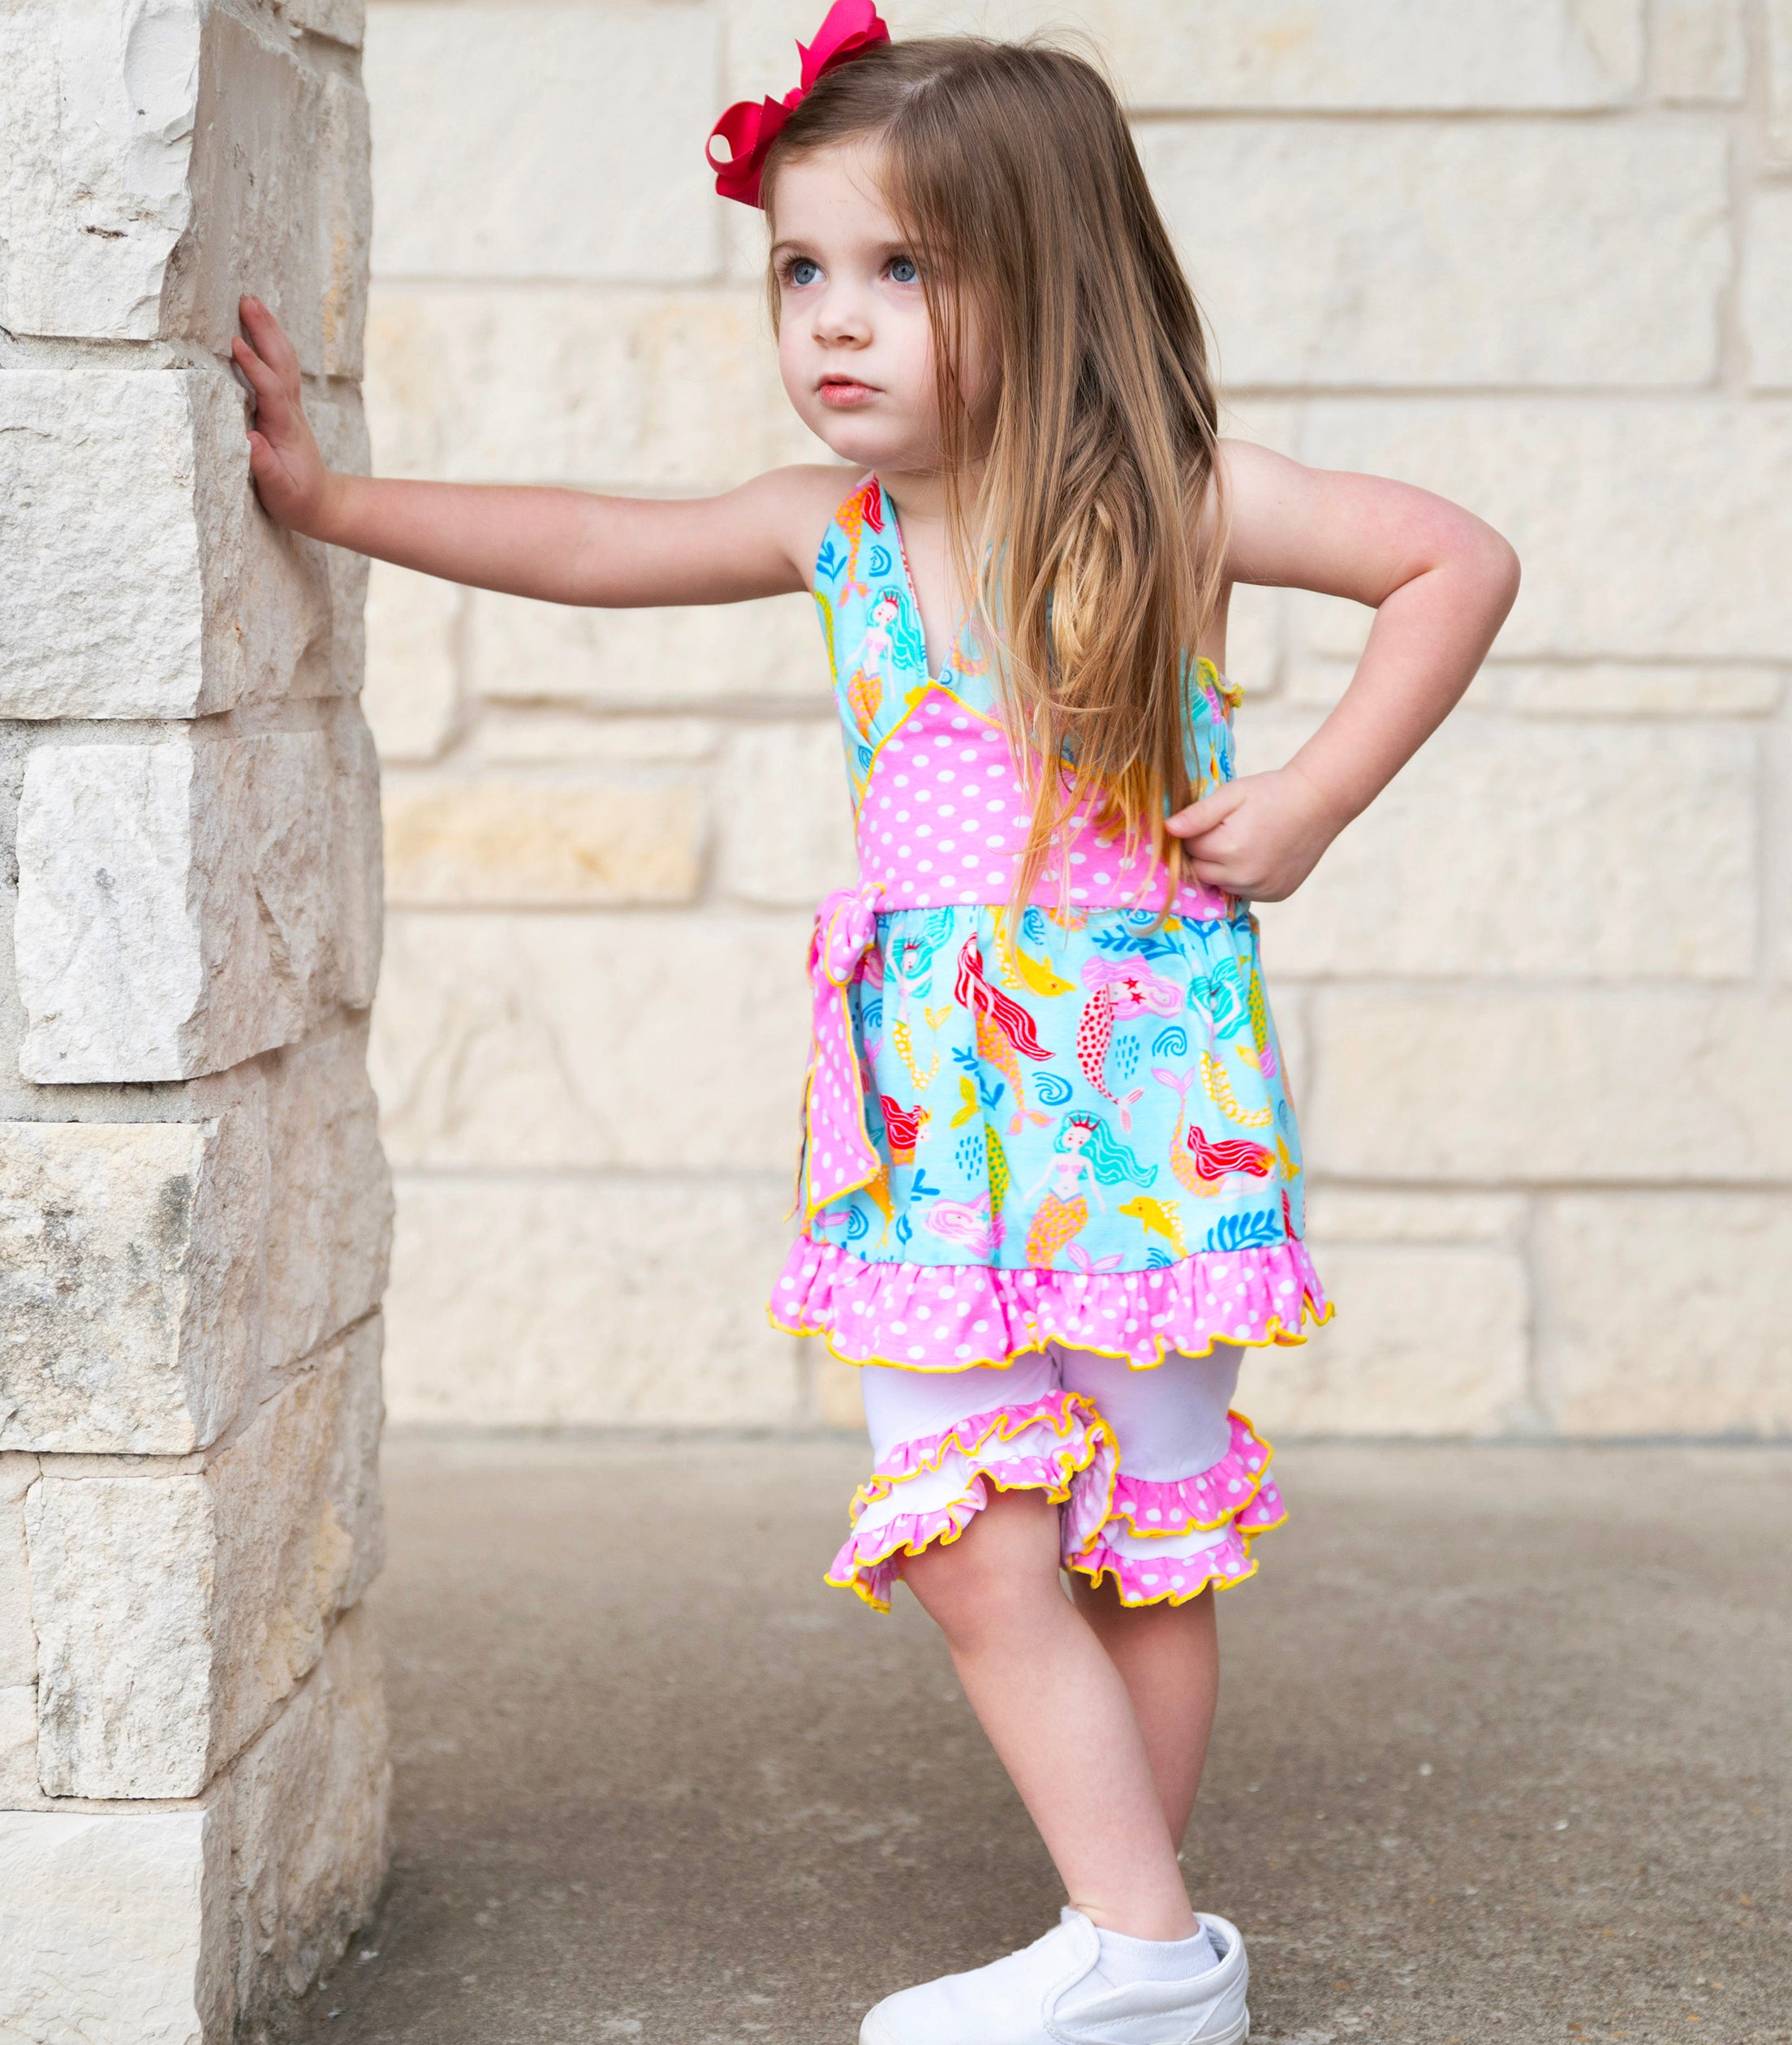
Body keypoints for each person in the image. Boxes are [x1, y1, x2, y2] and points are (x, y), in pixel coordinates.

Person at [234, 6, 1518, 2038]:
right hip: (928, 1121)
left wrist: (1315, 797)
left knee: (1136, 1548)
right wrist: (330, 499)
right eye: (803, 272)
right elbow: (580, 541)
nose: (834, 321)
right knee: (968, 1545)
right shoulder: (828, 536)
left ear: (1051, 272)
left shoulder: (1163, 495)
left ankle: (1138, 1955)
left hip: (1139, 1110)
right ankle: (1145, 1948)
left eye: (903, 271)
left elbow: (1452, 558)